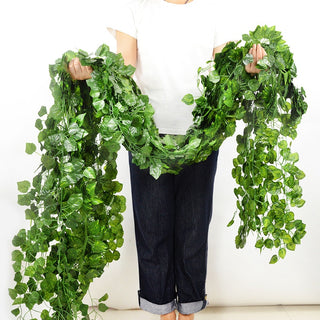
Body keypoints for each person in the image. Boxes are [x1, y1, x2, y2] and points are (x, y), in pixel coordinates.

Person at [69, 1, 266, 319]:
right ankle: (163, 312)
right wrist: (91, 69)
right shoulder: (134, 7)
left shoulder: (213, 9)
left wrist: (250, 66)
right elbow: (124, 66)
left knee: (193, 229)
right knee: (153, 228)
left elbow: (224, 69)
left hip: (201, 137)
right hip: (147, 137)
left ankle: (187, 312)